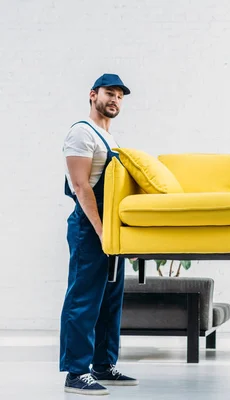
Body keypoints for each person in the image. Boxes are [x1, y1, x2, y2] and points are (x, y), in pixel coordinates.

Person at [60, 73, 138, 395]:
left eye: (120, 95)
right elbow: (80, 187)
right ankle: (76, 373)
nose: (115, 99)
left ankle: (103, 365)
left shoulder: (112, 140)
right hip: (89, 227)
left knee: (110, 300)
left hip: (111, 232)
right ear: (93, 95)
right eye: (109, 93)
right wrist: (101, 231)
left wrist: (125, 237)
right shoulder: (82, 132)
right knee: (84, 298)